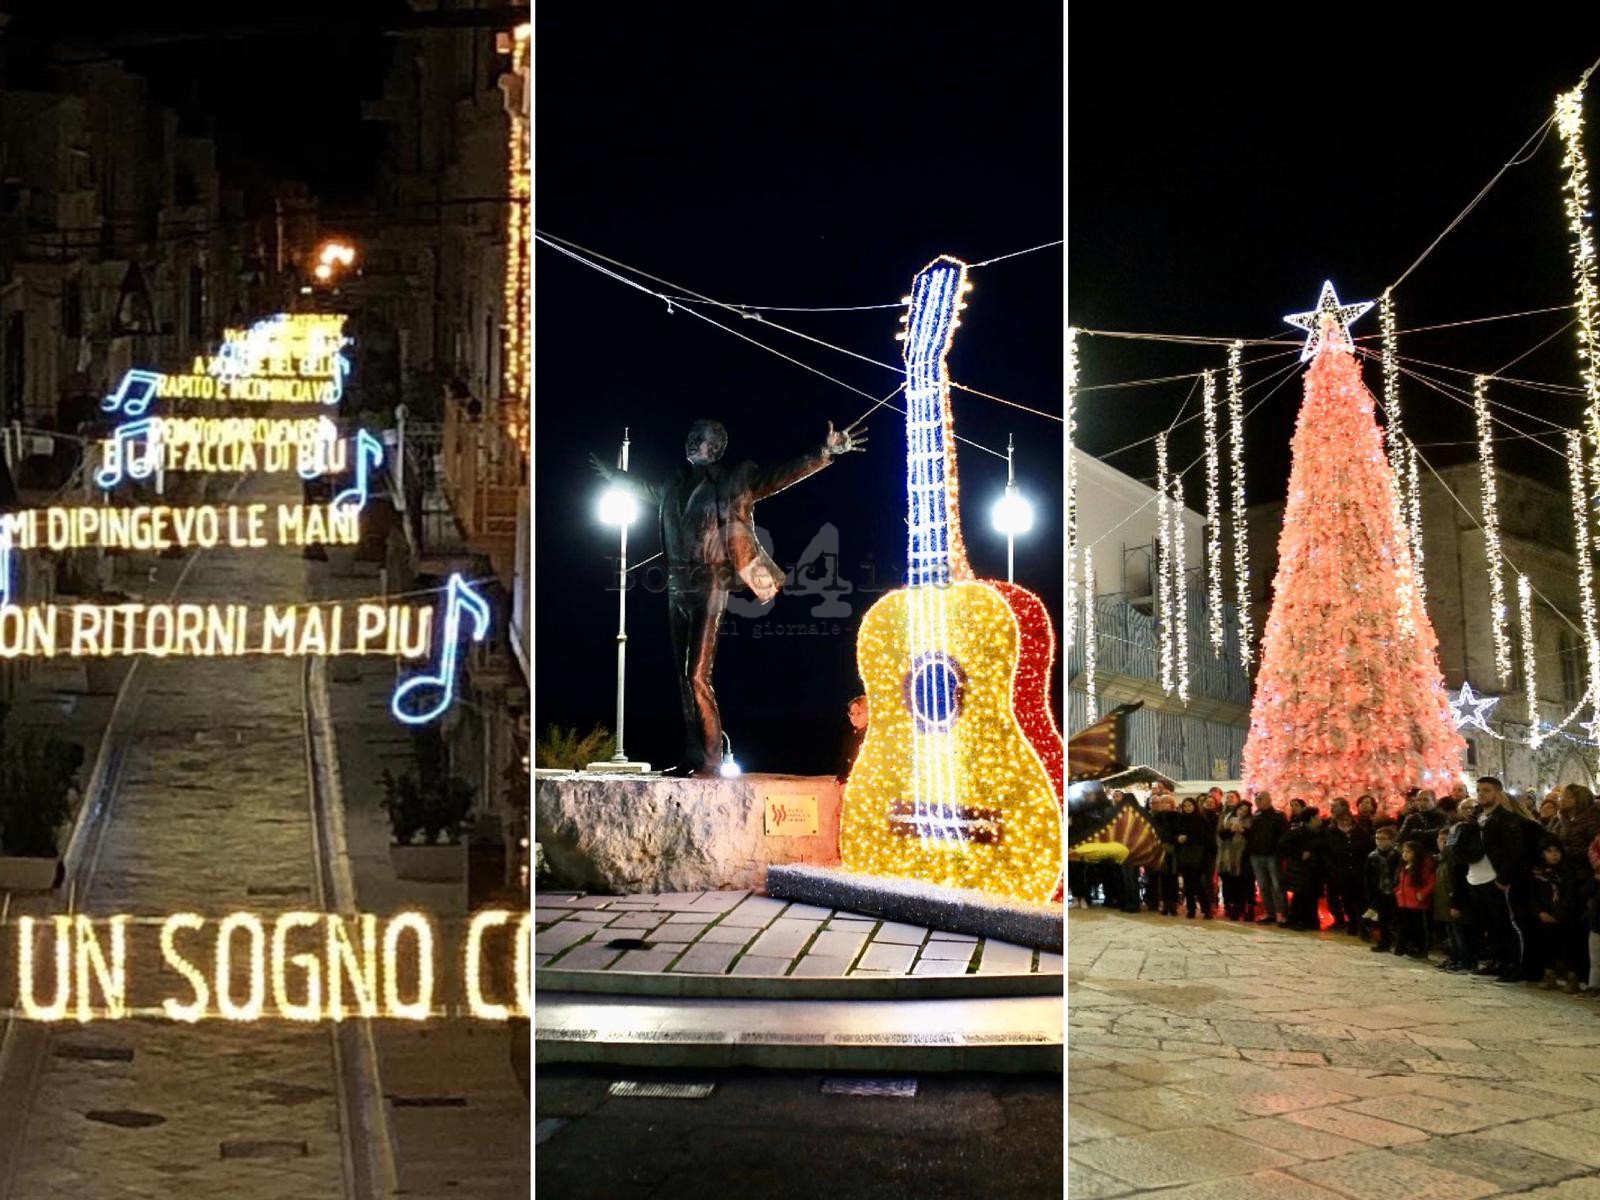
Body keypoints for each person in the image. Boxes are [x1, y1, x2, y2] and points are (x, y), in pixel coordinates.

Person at [592, 416, 867, 776]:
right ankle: (693, 757)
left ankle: (710, 759)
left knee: (696, 675)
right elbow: (643, 487)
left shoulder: (736, 478)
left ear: (717, 447)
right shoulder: (674, 485)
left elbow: (779, 476)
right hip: (677, 587)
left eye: (699, 438)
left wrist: (823, 452)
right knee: (681, 678)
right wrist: (615, 477)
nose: (691, 443)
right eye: (690, 437)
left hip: (710, 583)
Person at [1466, 776, 1534, 983]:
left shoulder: (1506, 819)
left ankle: (1515, 964)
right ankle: (1498, 960)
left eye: (1486, 790)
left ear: (1497, 793)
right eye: (1478, 790)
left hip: (1496, 878)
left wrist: (1503, 879)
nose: (1481, 794)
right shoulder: (1475, 818)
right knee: (1491, 923)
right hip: (1477, 876)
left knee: (1506, 924)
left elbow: (1512, 852)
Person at [1531, 834, 1580, 992]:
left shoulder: (1568, 871)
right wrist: (1541, 912)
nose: (1554, 854)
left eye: (1557, 851)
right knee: (1546, 941)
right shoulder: (1538, 872)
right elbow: (1534, 895)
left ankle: (1572, 977)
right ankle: (1549, 974)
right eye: (1549, 851)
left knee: (1569, 944)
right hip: (1545, 914)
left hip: (1565, 916)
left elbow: (1570, 895)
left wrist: (1558, 915)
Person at [1245, 791, 1289, 926]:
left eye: (1261, 799)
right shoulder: (1255, 817)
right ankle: (1270, 913)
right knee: (1263, 886)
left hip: (1272, 856)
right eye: (1256, 799)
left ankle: (1282, 913)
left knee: (1277, 886)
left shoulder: (1278, 816)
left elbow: (1284, 836)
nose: (1258, 801)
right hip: (1257, 856)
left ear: (1269, 800)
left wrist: (1278, 852)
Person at [1281, 810, 1327, 931]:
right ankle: (1297, 920)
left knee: (1311, 897)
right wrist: (1299, 854)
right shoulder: (1299, 832)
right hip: (1301, 870)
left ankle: (1310, 921)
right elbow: (1283, 845)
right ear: (1312, 818)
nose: (1320, 818)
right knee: (1301, 897)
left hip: (1315, 870)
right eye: (1318, 816)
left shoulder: (1319, 832)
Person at [1324, 809, 1366, 933]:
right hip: (1340, 872)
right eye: (1340, 820)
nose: (1343, 822)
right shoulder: (1331, 833)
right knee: (1346, 900)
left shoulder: (1360, 833)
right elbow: (1328, 853)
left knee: (1358, 901)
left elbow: (1364, 850)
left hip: (1357, 872)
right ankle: (1351, 924)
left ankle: (1359, 924)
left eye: (1346, 819)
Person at [1394, 838, 1436, 958]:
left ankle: (1420, 948)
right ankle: (1406, 947)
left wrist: (1422, 893)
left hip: (1417, 902)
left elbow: (1431, 882)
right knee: (1405, 926)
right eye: (1404, 851)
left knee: (1418, 928)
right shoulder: (1404, 866)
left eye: (1408, 852)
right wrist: (1397, 891)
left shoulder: (1423, 866)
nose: (1405, 854)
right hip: (1404, 902)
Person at [1173, 797, 1214, 918]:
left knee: (1198, 884)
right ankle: (1191, 909)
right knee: (1187, 884)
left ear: (1195, 806)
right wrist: (1177, 839)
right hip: (1184, 855)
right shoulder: (1180, 819)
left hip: (1198, 856)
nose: (1187, 808)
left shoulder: (1201, 819)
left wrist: (1188, 839)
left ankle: (1206, 909)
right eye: (1185, 806)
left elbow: (1204, 837)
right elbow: (1176, 834)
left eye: (1189, 805)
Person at [1365, 823, 1401, 952]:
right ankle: (1384, 942)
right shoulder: (1372, 856)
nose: (1379, 841)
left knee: (1397, 919)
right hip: (1380, 890)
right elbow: (1368, 877)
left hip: (1395, 891)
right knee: (1383, 919)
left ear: (1392, 840)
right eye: (1377, 838)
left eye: (1383, 838)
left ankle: (1399, 943)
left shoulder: (1398, 855)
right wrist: (1370, 895)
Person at [1217, 802, 1255, 921]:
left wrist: (1242, 830)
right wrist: (1232, 830)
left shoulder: (1251, 821)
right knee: (1229, 882)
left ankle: (1244, 908)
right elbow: (1222, 835)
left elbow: (1252, 837)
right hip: (1228, 857)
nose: (1242, 812)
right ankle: (1232, 907)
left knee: (1244, 884)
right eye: (1240, 809)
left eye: (1245, 810)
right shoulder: (1228, 818)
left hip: (1244, 856)